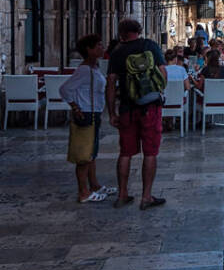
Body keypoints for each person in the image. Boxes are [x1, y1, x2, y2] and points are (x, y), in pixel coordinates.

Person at [106, 18, 167, 211]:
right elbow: (163, 73)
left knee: (125, 153)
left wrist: (111, 112)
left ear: (121, 33)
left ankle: (122, 195)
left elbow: (110, 84)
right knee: (150, 153)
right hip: (150, 107)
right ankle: (146, 197)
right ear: (139, 30)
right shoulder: (150, 46)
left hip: (127, 108)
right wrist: (156, 91)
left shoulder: (117, 52)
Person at [59, 34, 111, 203]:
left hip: (94, 113)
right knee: (84, 155)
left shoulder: (94, 68)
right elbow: (65, 89)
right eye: (98, 45)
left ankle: (94, 185)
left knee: (91, 153)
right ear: (89, 49)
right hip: (86, 113)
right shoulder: (84, 70)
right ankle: (83, 192)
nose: (102, 48)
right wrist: (75, 106)